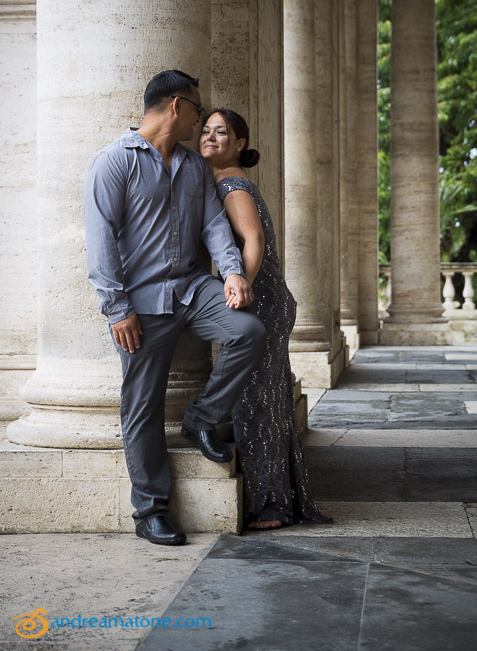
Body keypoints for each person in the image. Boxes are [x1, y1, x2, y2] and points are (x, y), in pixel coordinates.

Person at [84, 71, 267, 546]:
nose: (202, 119)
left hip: (191, 289)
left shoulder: (191, 165)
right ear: (175, 105)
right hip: (139, 305)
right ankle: (150, 511)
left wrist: (230, 271)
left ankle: (202, 417)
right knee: (141, 406)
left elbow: (213, 226)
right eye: (198, 109)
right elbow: (100, 241)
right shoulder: (113, 162)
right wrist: (116, 308)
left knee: (247, 331)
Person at [200, 108, 331, 530]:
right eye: (205, 130)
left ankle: (272, 506)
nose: (210, 137)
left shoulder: (231, 184)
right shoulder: (222, 181)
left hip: (261, 303)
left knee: (256, 406)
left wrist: (243, 288)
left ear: (240, 144)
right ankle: (279, 501)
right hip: (266, 302)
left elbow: (253, 240)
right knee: (267, 404)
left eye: (222, 132)